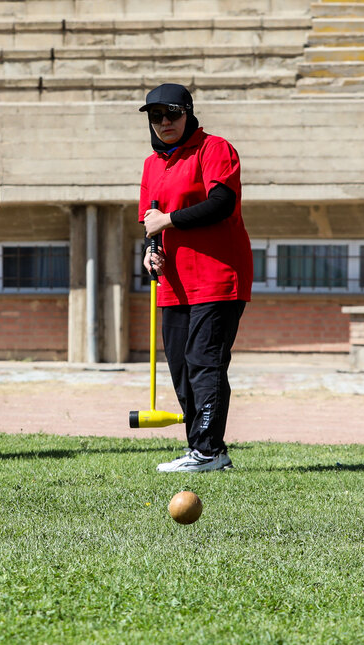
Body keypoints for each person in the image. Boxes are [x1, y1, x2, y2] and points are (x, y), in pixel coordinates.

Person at [138, 83, 253, 473]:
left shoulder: (215, 149)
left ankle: (208, 450)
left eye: (172, 113)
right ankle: (202, 450)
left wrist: (169, 220)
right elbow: (151, 224)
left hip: (219, 276)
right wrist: (150, 251)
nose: (165, 122)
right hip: (175, 283)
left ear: (188, 112)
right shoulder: (152, 165)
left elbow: (222, 204)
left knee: (204, 362)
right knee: (182, 367)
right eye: (156, 116)